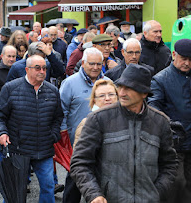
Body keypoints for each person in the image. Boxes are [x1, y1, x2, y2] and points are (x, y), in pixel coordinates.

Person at [70, 64, 178, 203]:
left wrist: (156, 192)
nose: (121, 93)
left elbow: (169, 164)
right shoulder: (98, 119)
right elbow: (80, 163)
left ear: (144, 93)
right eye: (120, 87)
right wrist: (94, 194)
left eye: (129, 88)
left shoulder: (160, 122)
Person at [0, 55, 64, 203]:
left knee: (49, 186)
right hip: (18, 149)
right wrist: (1, 133)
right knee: (15, 190)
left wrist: (54, 135)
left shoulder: (52, 91)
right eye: (37, 68)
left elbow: (58, 117)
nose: (42, 71)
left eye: (44, 68)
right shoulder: (11, 88)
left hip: (44, 149)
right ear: (27, 69)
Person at [148, 39, 191, 203]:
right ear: (174, 55)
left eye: (190, 59)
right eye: (183, 58)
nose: (187, 63)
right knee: (175, 186)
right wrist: (171, 128)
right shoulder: (161, 79)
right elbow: (154, 108)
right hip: (174, 144)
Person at [63, 79, 119, 203]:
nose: (107, 98)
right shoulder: (86, 124)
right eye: (102, 96)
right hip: (97, 187)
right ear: (94, 100)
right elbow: (80, 162)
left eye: (111, 94)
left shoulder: (126, 121)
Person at [60, 47, 108, 146]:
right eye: (91, 64)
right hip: (77, 142)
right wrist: (65, 137)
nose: (95, 67)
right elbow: (61, 112)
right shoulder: (69, 83)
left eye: (98, 64)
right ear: (83, 63)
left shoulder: (108, 83)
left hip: (103, 140)